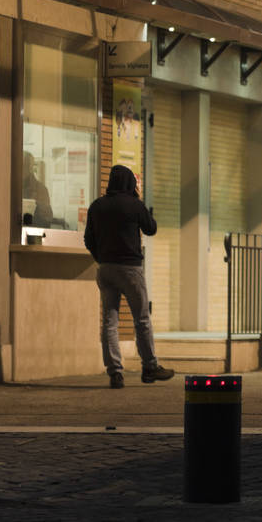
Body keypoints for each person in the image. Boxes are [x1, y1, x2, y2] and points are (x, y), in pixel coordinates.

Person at [83, 164, 174, 389]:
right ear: (130, 183)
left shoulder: (97, 206)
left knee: (110, 321)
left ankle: (115, 372)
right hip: (130, 269)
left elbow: (88, 239)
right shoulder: (134, 205)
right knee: (141, 319)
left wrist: (101, 258)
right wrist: (138, 199)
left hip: (106, 269)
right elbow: (151, 228)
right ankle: (150, 367)